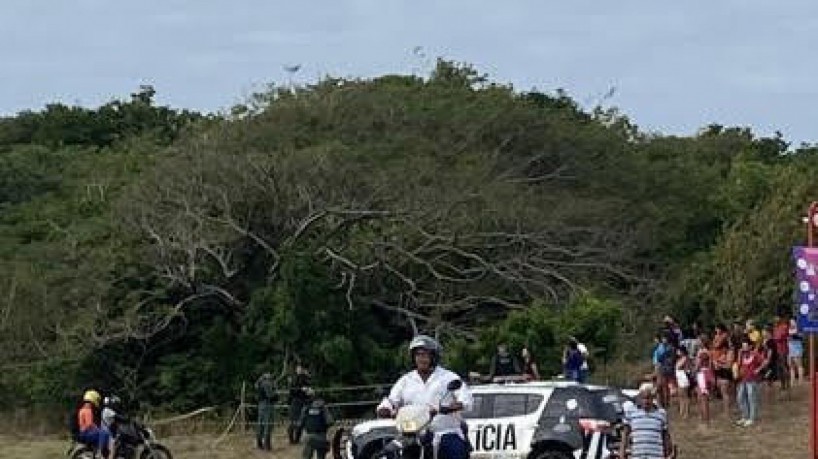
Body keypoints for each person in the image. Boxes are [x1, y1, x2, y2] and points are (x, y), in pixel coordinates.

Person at [377, 335, 474, 459]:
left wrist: (447, 408)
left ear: (433, 357)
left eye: (425, 355)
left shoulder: (448, 377)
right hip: (413, 434)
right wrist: (385, 409)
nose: (421, 358)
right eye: (418, 354)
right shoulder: (406, 380)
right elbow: (391, 400)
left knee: (454, 450)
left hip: (445, 432)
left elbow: (466, 400)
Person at [619, 382, 673, 459]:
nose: (646, 401)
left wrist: (668, 454)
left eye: (648, 398)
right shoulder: (631, 412)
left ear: (652, 398)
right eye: (643, 398)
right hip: (638, 455)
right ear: (639, 397)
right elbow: (625, 435)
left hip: (656, 455)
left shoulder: (661, 413)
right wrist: (622, 454)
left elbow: (665, 437)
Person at [736, 337, 764, 427]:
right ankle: (745, 416)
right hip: (743, 379)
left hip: (752, 379)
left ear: (750, 346)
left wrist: (758, 369)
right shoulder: (743, 354)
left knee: (751, 398)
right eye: (743, 346)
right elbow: (739, 364)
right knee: (740, 397)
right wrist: (739, 354)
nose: (743, 348)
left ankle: (751, 418)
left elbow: (764, 361)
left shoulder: (755, 354)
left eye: (745, 346)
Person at [77, 389, 113, 459]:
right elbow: (89, 424)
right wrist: (97, 428)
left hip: (83, 432)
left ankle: (99, 450)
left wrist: (96, 428)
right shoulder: (88, 410)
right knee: (104, 433)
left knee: (102, 432)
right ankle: (99, 452)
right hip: (86, 433)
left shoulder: (82, 409)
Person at [289, 364, 313, 444]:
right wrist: (301, 389)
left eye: (301, 368)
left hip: (304, 401)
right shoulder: (293, 378)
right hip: (296, 401)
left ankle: (297, 439)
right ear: (296, 369)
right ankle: (291, 439)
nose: (300, 370)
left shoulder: (305, 377)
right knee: (293, 421)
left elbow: (309, 385)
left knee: (302, 421)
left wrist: (310, 391)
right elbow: (292, 390)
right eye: (298, 368)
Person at [255, 372, 279, 450]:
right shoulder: (267, 383)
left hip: (261, 405)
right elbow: (270, 395)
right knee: (268, 425)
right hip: (267, 405)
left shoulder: (259, 383)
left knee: (261, 424)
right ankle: (267, 445)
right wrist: (276, 392)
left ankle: (259, 443)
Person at [789, 318, 805, 385]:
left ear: (796, 322)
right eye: (790, 322)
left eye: (792, 321)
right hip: (790, 347)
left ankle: (800, 380)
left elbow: (801, 337)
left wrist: (795, 334)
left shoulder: (799, 329)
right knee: (791, 365)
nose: (791, 323)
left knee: (799, 364)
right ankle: (792, 380)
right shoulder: (789, 329)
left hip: (797, 347)